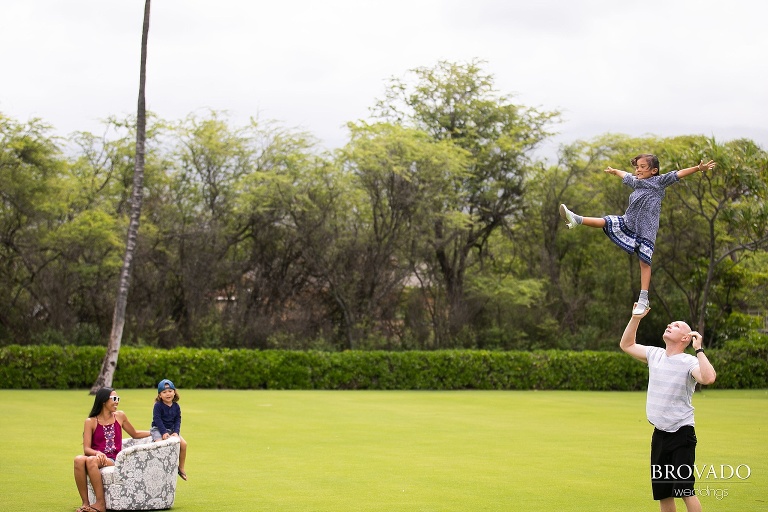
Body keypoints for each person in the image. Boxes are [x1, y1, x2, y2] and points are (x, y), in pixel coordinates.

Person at [559, 154, 716, 314]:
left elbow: (678, 174)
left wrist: (698, 168)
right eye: (637, 167)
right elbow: (625, 175)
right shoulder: (636, 182)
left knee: (644, 263)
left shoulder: (659, 182)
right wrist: (614, 171)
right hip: (629, 223)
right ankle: (577, 219)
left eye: (642, 167)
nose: (638, 170)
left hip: (646, 229)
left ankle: (643, 298)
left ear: (654, 170)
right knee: (607, 221)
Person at [620, 305, 717, 512]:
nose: (669, 325)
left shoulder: (689, 361)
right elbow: (626, 344)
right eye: (670, 324)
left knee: (685, 491)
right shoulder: (655, 355)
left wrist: (699, 349)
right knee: (664, 494)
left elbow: (708, 378)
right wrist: (635, 318)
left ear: (685, 338)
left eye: (676, 325)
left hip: (682, 434)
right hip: (660, 435)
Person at [73, 387, 150, 512]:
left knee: (91, 460)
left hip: (112, 458)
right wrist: (98, 453)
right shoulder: (90, 421)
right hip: (95, 455)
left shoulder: (120, 416)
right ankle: (85, 503)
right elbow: (86, 448)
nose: (117, 402)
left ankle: (100, 503)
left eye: (118, 399)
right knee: (78, 460)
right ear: (104, 401)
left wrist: (156, 432)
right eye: (114, 399)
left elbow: (135, 434)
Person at [151, 378, 188, 480]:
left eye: (170, 391)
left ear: (174, 392)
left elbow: (177, 420)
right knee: (159, 444)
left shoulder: (176, 406)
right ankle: (159, 468)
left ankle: (180, 467)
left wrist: (176, 432)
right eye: (164, 392)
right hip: (158, 429)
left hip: (171, 430)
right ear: (160, 395)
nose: (168, 394)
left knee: (183, 444)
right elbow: (157, 420)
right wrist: (163, 432)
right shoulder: (158, 406)